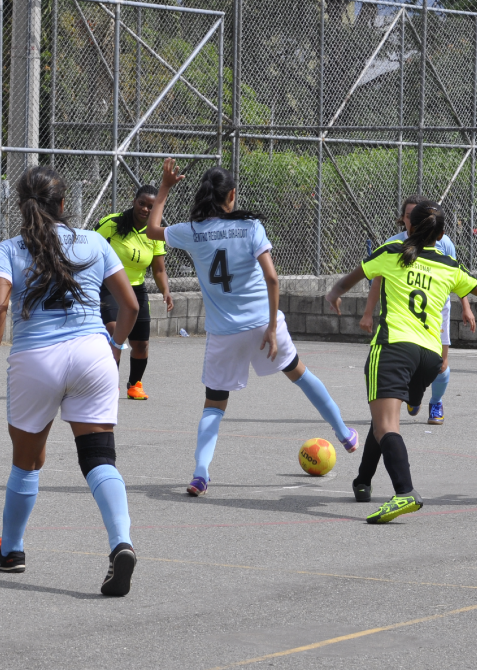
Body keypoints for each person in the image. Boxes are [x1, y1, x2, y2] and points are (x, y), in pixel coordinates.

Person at [0, 166, 140, 596]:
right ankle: (121, 543)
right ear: (64, 205)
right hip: (92, 354)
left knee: (26, 461)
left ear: (21, 207)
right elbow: (131, 306)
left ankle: (11, 551)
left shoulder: (8, 249)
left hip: (36, 360)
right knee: (99, 458)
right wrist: (114, 346)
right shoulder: (95, 241)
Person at [144, 159, 359, 497]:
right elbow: (272, 278)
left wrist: (165, 188)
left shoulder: (193, 231)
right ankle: (345, 434)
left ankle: (200, 473)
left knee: (214, 405)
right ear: (231, 195)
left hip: (223, 332)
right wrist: (273, 328)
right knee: (301, 375)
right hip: (261, 323)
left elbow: (152, 230)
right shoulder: (250, 227)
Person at [326, 200, 477, 524]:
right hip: (431, 358)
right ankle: (363, 480)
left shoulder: (391, 253)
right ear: (442, 234)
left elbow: (348, 281)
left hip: (393, 349)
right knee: (382, 420)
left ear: (409, 226)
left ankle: (404, 492)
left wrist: (333, 294)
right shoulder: (449, 267)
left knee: (388, 424)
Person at [360, 196, 477, 426]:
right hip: (402, 313)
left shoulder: (444, 243)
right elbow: (377, 281)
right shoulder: (393, 245)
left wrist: (466, 306)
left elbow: (458, 278)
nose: (412, 220)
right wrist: (367, 313)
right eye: (408, 215)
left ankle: (436, 402)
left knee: (441, 364)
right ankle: (413, 392)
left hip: (436, 309)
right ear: (404, 219)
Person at [96, 184, 173, 400]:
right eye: (142, 203)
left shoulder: (154, 233)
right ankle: (110, 383)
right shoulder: (112, 224)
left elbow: (159, 269)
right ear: (134, 201)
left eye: (151, 206)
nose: (145, 209)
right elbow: (90, 250)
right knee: (114, 331)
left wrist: (165, 290)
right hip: (109, 285)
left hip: (136, 288)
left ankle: (134, 384)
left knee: (141, 344)